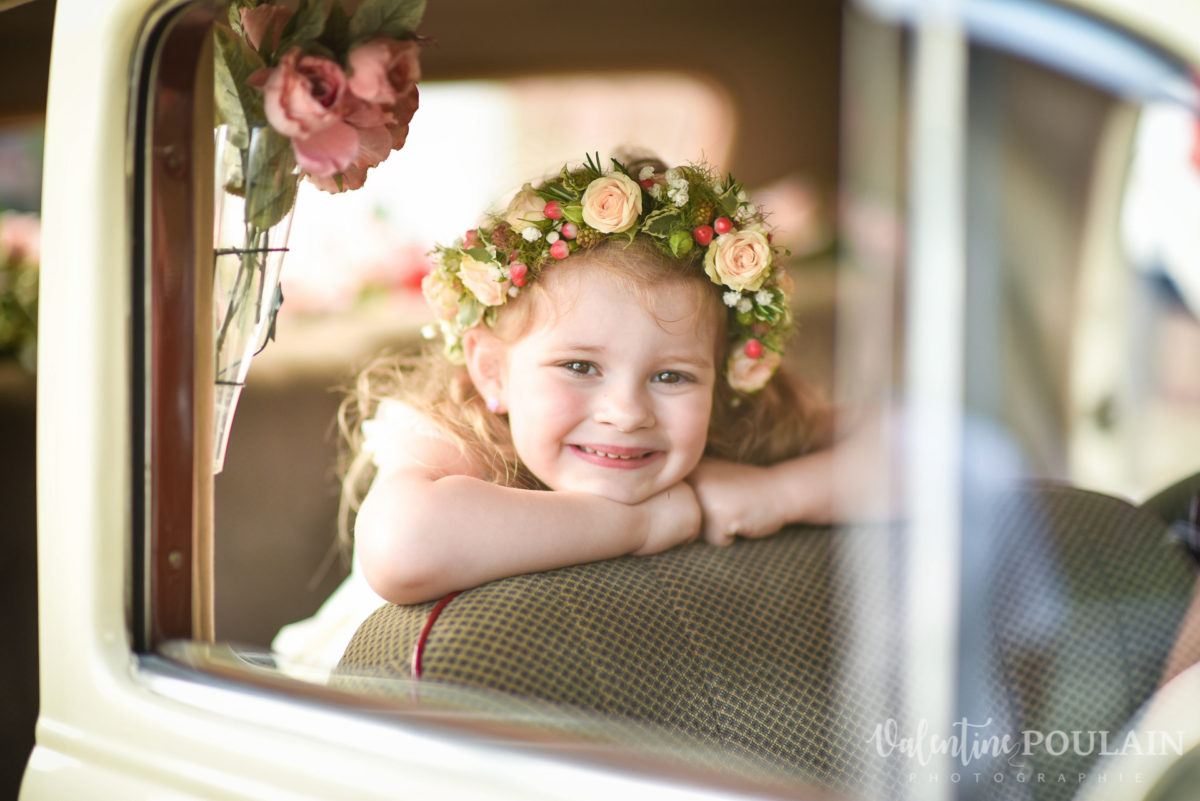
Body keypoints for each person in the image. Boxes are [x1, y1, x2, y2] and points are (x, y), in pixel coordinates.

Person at [272, 152, 841, 668]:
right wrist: (638, 523)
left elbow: (920, 454)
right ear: (493, 372)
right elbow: (403, 546)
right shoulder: (459, 438)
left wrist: (779, 494)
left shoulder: (733, 429)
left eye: (672, 376)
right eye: (580, 367)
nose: (626, 413)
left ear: (719, 379)